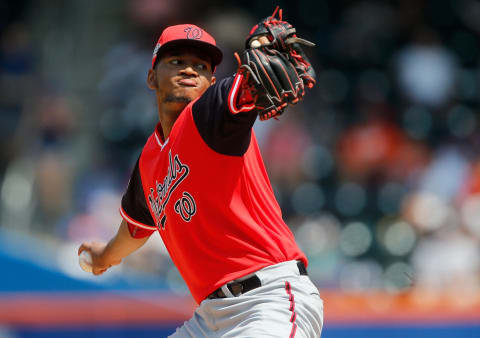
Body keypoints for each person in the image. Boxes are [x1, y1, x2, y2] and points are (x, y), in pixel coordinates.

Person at [78, 10, 323, 337]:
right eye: (177, 61)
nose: (190, 70)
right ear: (152, 77)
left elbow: (247, 88)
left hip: (269, 300)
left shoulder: (212, 113)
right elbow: (135, 228)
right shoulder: (149, 159)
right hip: (210, 316)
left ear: (211, 80)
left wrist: (263, 49)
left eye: (201, 66)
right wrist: (104, 256)